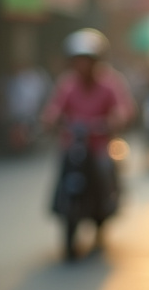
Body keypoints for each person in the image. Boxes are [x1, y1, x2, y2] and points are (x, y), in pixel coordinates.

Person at [42, 28, 135, 230]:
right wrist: (50, 120)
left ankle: (109, 200)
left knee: (104, 167)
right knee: (63, 165)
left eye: (86, 60)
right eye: (78, 60)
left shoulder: (110, 82)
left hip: (100, 144)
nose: (81, 65)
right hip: (74, 143)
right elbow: (54, 108)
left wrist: (115, 120)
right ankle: (61, 203)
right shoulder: (68, 83)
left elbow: (123, 108)